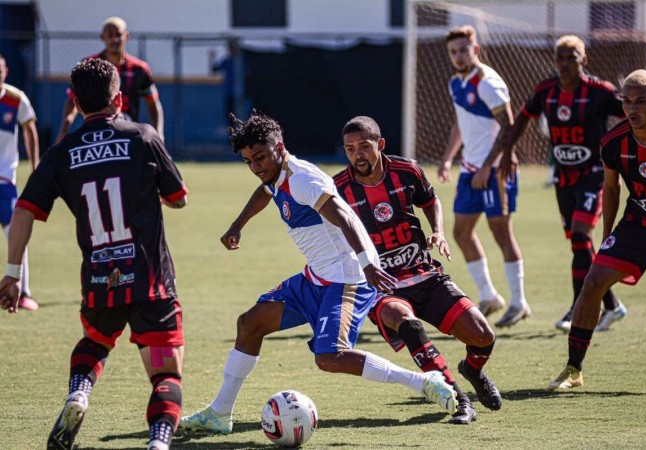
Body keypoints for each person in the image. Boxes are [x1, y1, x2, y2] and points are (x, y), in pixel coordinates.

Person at [180, 112, 458, 435]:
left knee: (329, 357)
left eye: (260, 158)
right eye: (248, 162)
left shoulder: (302, 179)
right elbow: (266, 193)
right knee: (250, 323)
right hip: (317, 278)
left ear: (279, 148)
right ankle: (219, 413)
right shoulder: (276, 175)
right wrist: (237, 225)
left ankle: (424, 381)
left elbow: (346, 217)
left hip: (349, 278)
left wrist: (368, 263)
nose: (256, 167)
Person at [0, 58, 188, 450]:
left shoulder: (61, 153)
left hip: (101, 281)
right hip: (150, 281)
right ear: (119, 98)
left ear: (76, 102)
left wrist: (14, 273)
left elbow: (23, 211)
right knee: (165, 376)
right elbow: (178, 198)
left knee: (95, 341)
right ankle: (158, 442)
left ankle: (78, 393)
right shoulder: (143, 137)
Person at [334, 116, 502, 423]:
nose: (357, 155)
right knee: (407, 324)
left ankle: (472, 371)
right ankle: (456, 398)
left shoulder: (406, 171)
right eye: (350, 149)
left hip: (425, 275)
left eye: (364, 147)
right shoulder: (339, 189)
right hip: (381, 286)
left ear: (380, 145)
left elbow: (430, 199)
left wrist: (437, 230)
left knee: (483, 336)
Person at [547, 69, 646, 390]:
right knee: (593, 281)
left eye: (641, 102)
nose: (632, 109)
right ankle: (573, 370)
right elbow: (612, 189)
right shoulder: (613, 143)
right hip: (639, 222)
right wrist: (606, 239)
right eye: (627, 102)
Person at [501, 35, 627, 333]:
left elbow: (634, 116)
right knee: (578, 243)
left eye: (572, 57)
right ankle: (612, 305)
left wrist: (625, 154)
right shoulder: (545, 91)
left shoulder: (600, 92)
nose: (565, 63)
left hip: (594, 176)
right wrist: (508, 151)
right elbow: (521, 119)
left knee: (581, 237)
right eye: (560, 57)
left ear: (584, 60)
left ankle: (578, 308)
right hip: (563, 179)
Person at [437, 25, 530, 328]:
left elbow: (510, 126)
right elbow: (459, 124)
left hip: (496, 169)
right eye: (454, 51)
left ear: (475, 50)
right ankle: (489, 295)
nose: (459, 56)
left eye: (464, 49)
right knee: (461, 232)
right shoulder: (455, 83)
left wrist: (490, 166)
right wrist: (448, 158)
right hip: (470, 169)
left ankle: (519, 302)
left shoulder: (488, 83)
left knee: (501, 232)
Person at [56, 17, 164, 142]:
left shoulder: (139, 69)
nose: (115, 39)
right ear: (102, 37)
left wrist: (159, 133)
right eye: (110, 35)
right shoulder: (89, 66)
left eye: (118, 34)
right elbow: (73, 99)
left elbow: (153, 103)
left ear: (127, 36)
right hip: (96, 130)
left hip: (127, 131)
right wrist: (65, 126)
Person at [0, 53, 39, 310]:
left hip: (4, 179)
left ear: (6, 70)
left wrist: (36, 166)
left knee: (15, 233)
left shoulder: (16, 98)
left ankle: (23, 292)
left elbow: (30, 129)